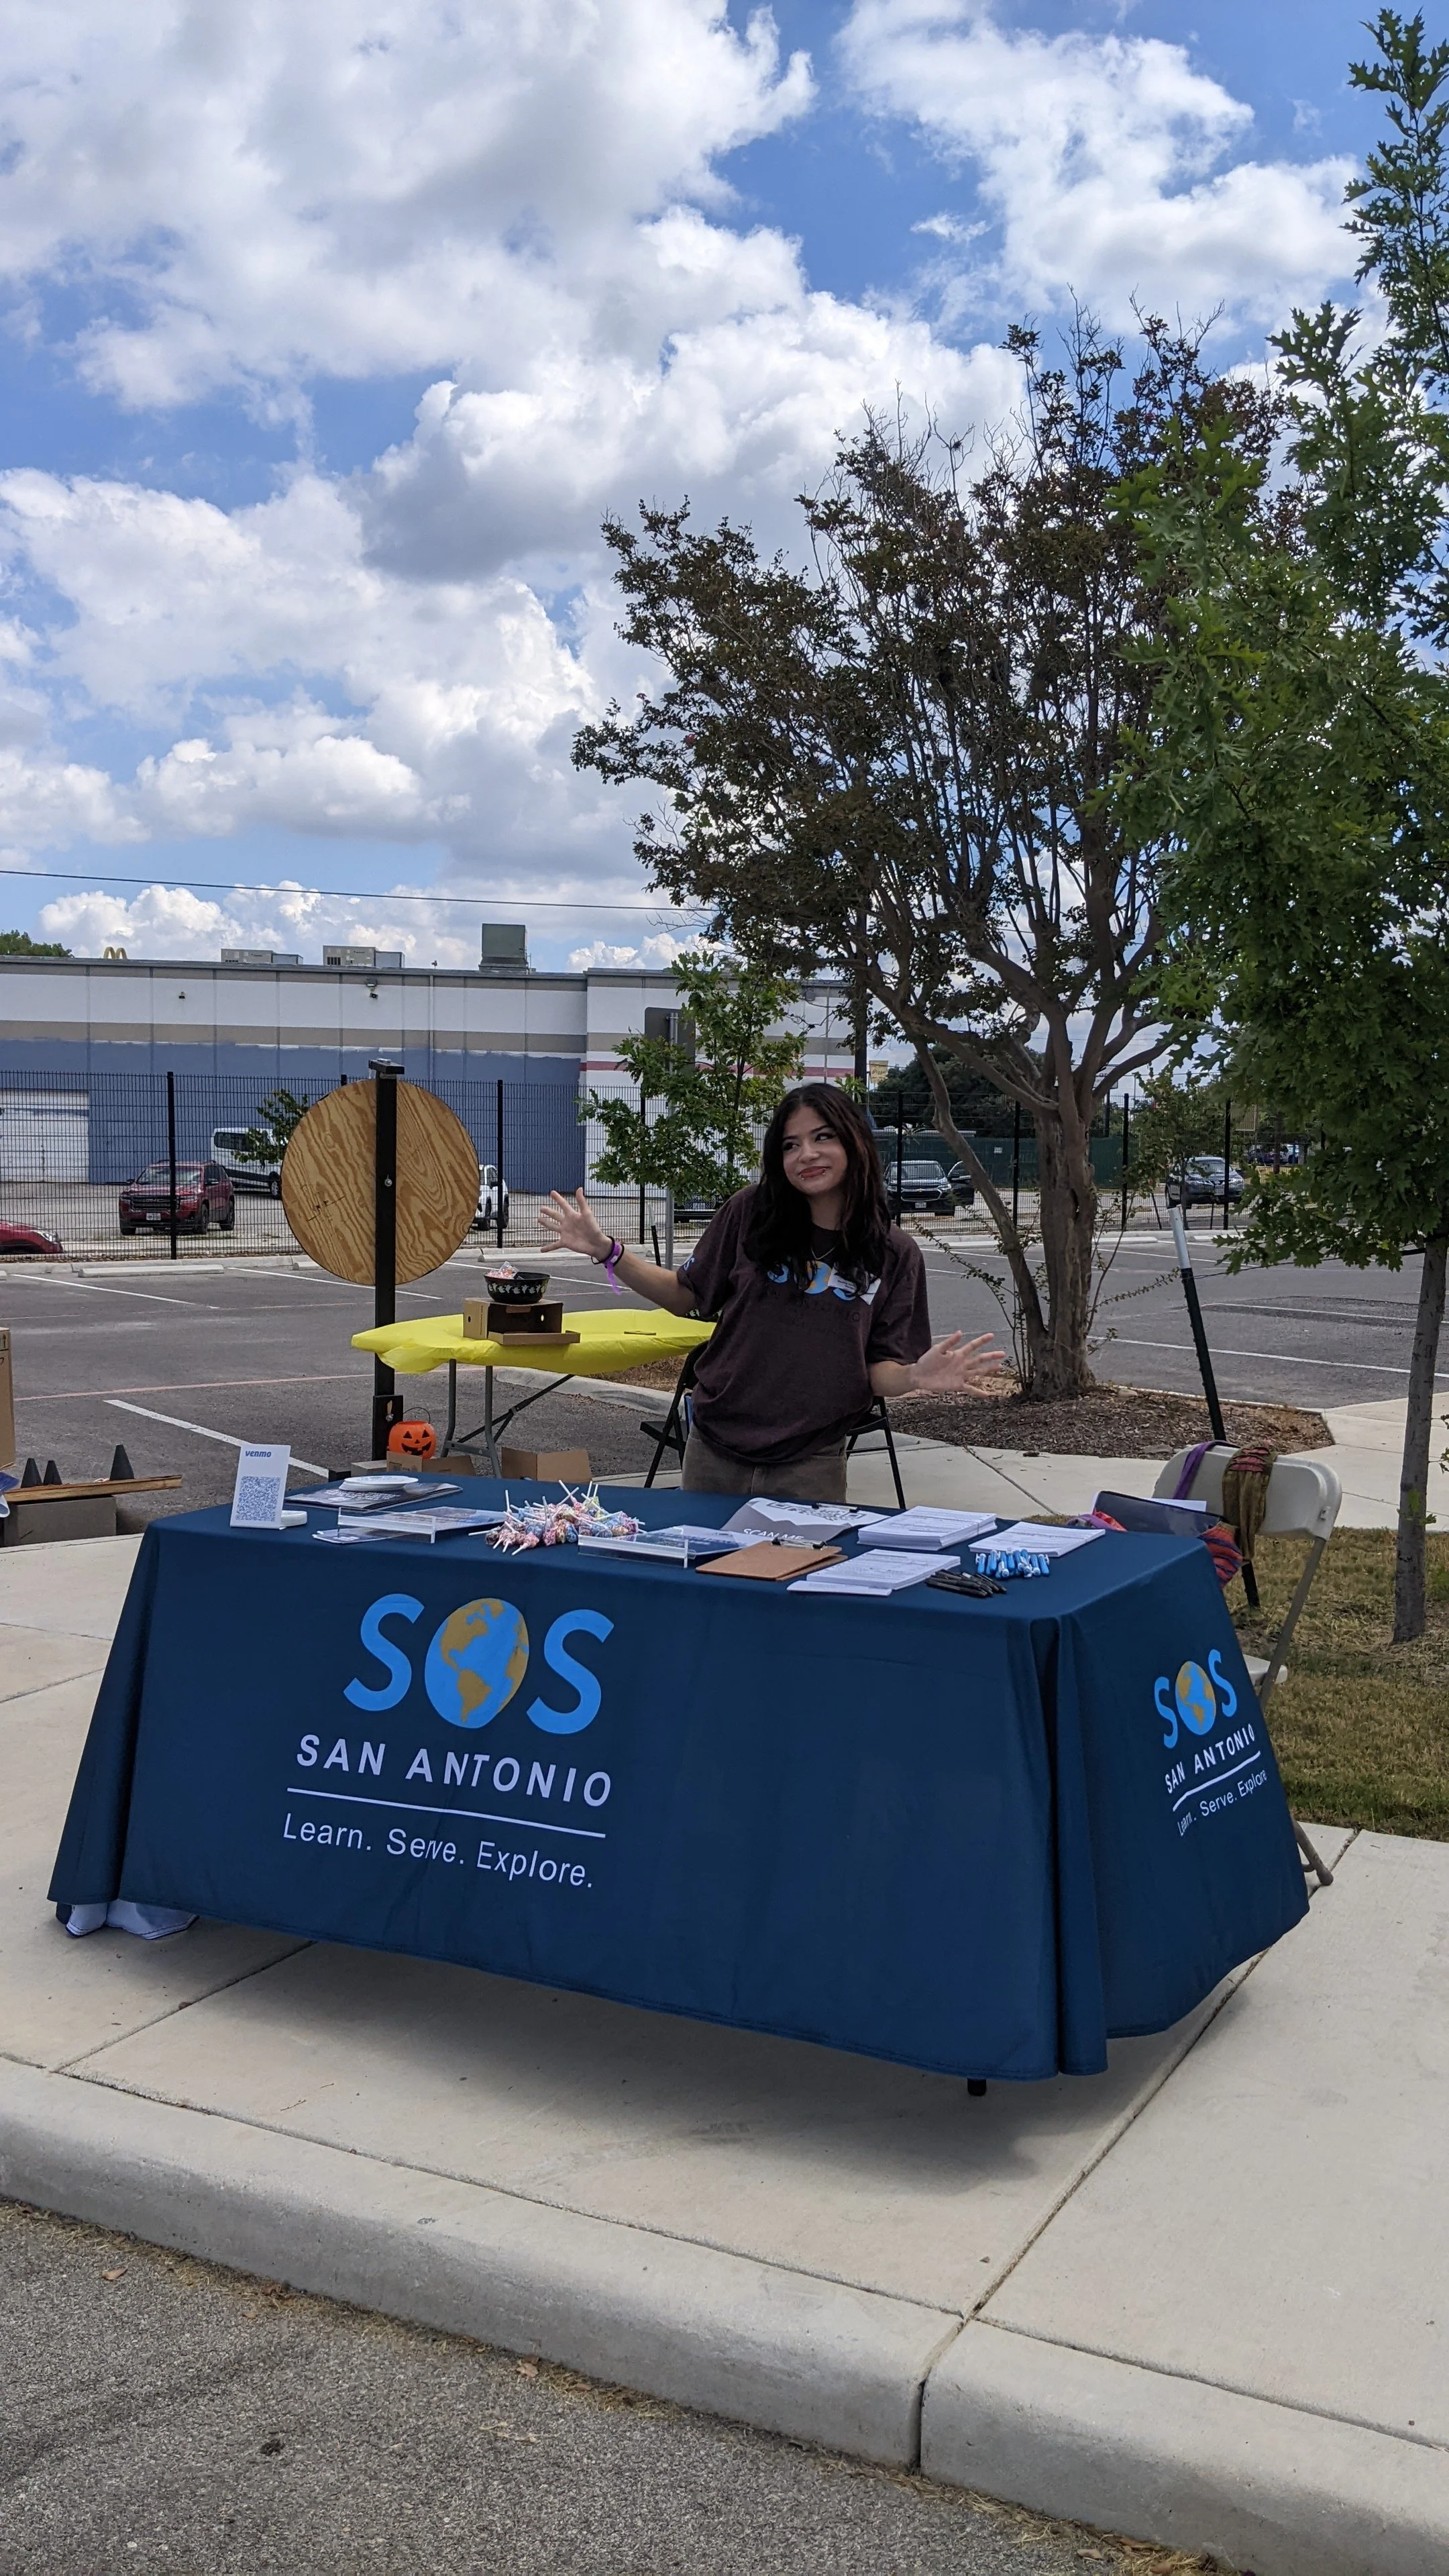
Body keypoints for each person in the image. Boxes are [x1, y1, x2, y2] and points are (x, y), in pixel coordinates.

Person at [541, 1082, 1004, 1503]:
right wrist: (607, 1250)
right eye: (790, 1144)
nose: (806, 1154)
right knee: (709, 1584)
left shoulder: (894, 1254)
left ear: (855, 1142)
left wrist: (914, 1377)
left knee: (792, 1585)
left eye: (823, 1137)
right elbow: (686, 1296)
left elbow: (880, 1371)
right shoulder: (749, 1213)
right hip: (714, 1447)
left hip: (811, 1460)